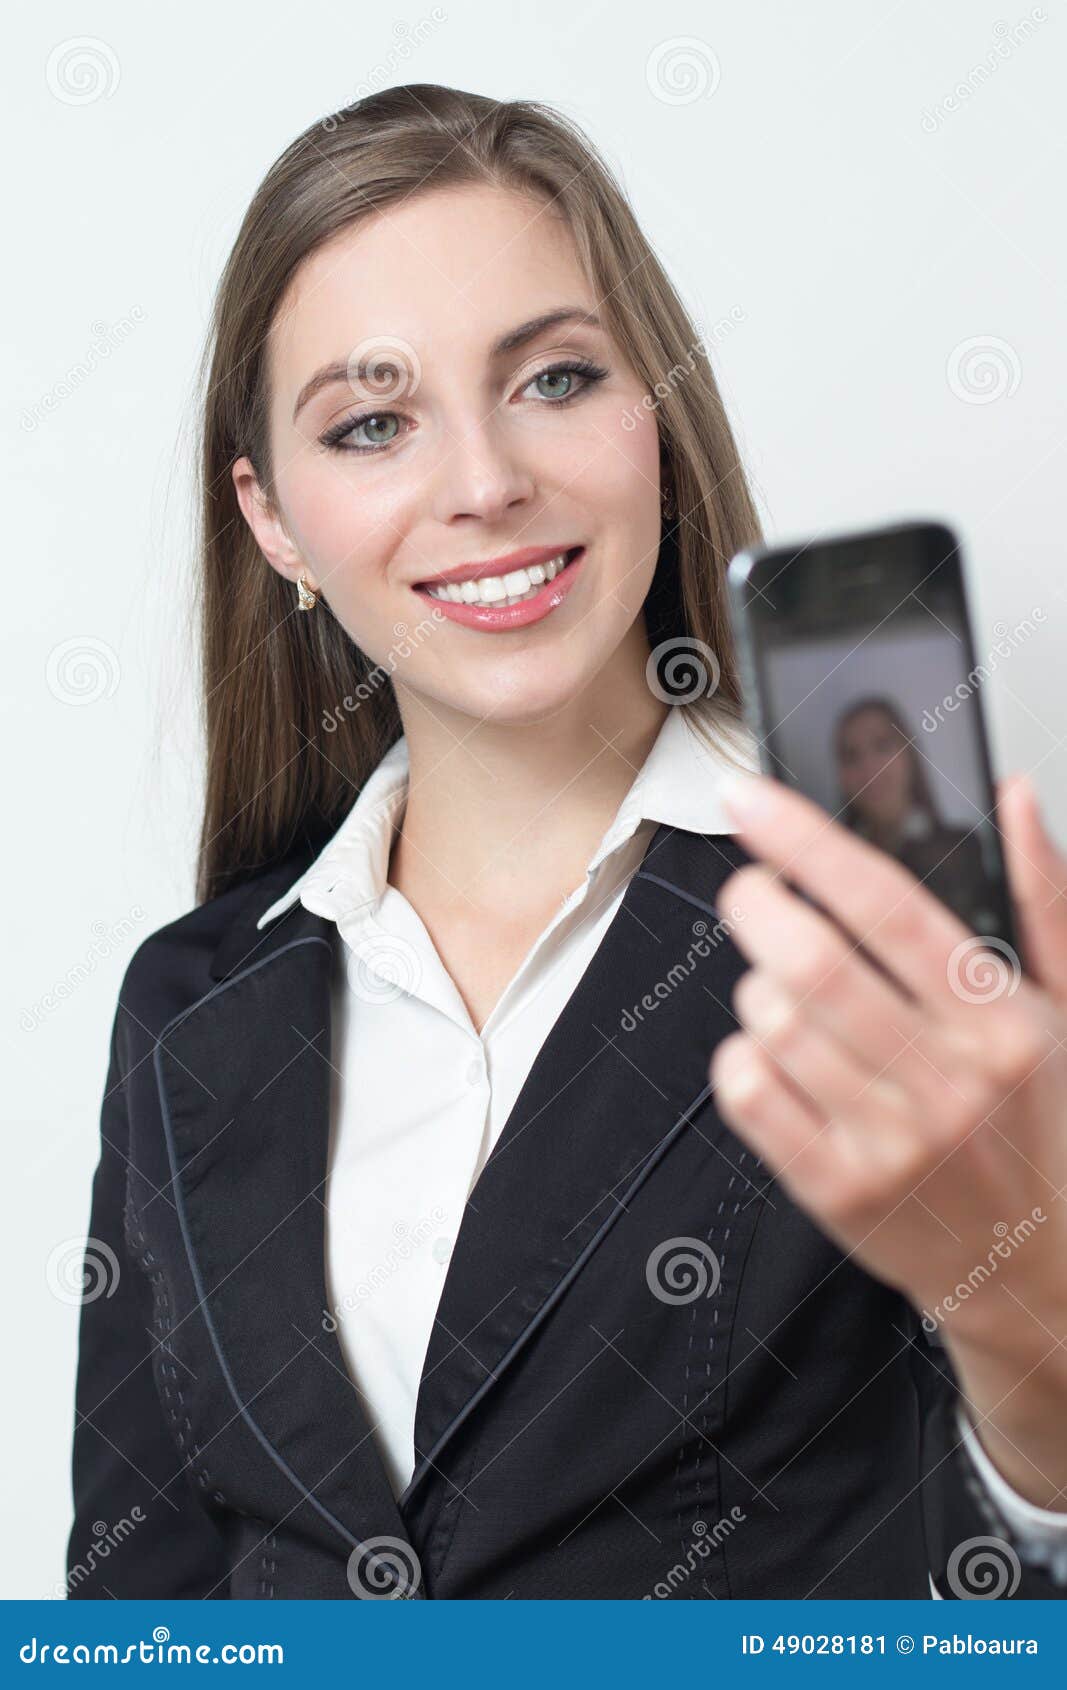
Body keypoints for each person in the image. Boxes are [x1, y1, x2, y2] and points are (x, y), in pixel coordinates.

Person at [67, 84, 1067, 1601]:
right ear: (273, 520)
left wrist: (1027, 1305)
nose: (483, 483)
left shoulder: (893, 929)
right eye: (374, 421)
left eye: (550, 380)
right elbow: (138, 1608)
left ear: (650, 414)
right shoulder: (191, 1007)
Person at [833, 696, 994, 933]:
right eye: (851, 756)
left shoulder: (961, 847)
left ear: (908, 755)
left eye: (882, 746)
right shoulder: (835, 862)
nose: (868, 768)